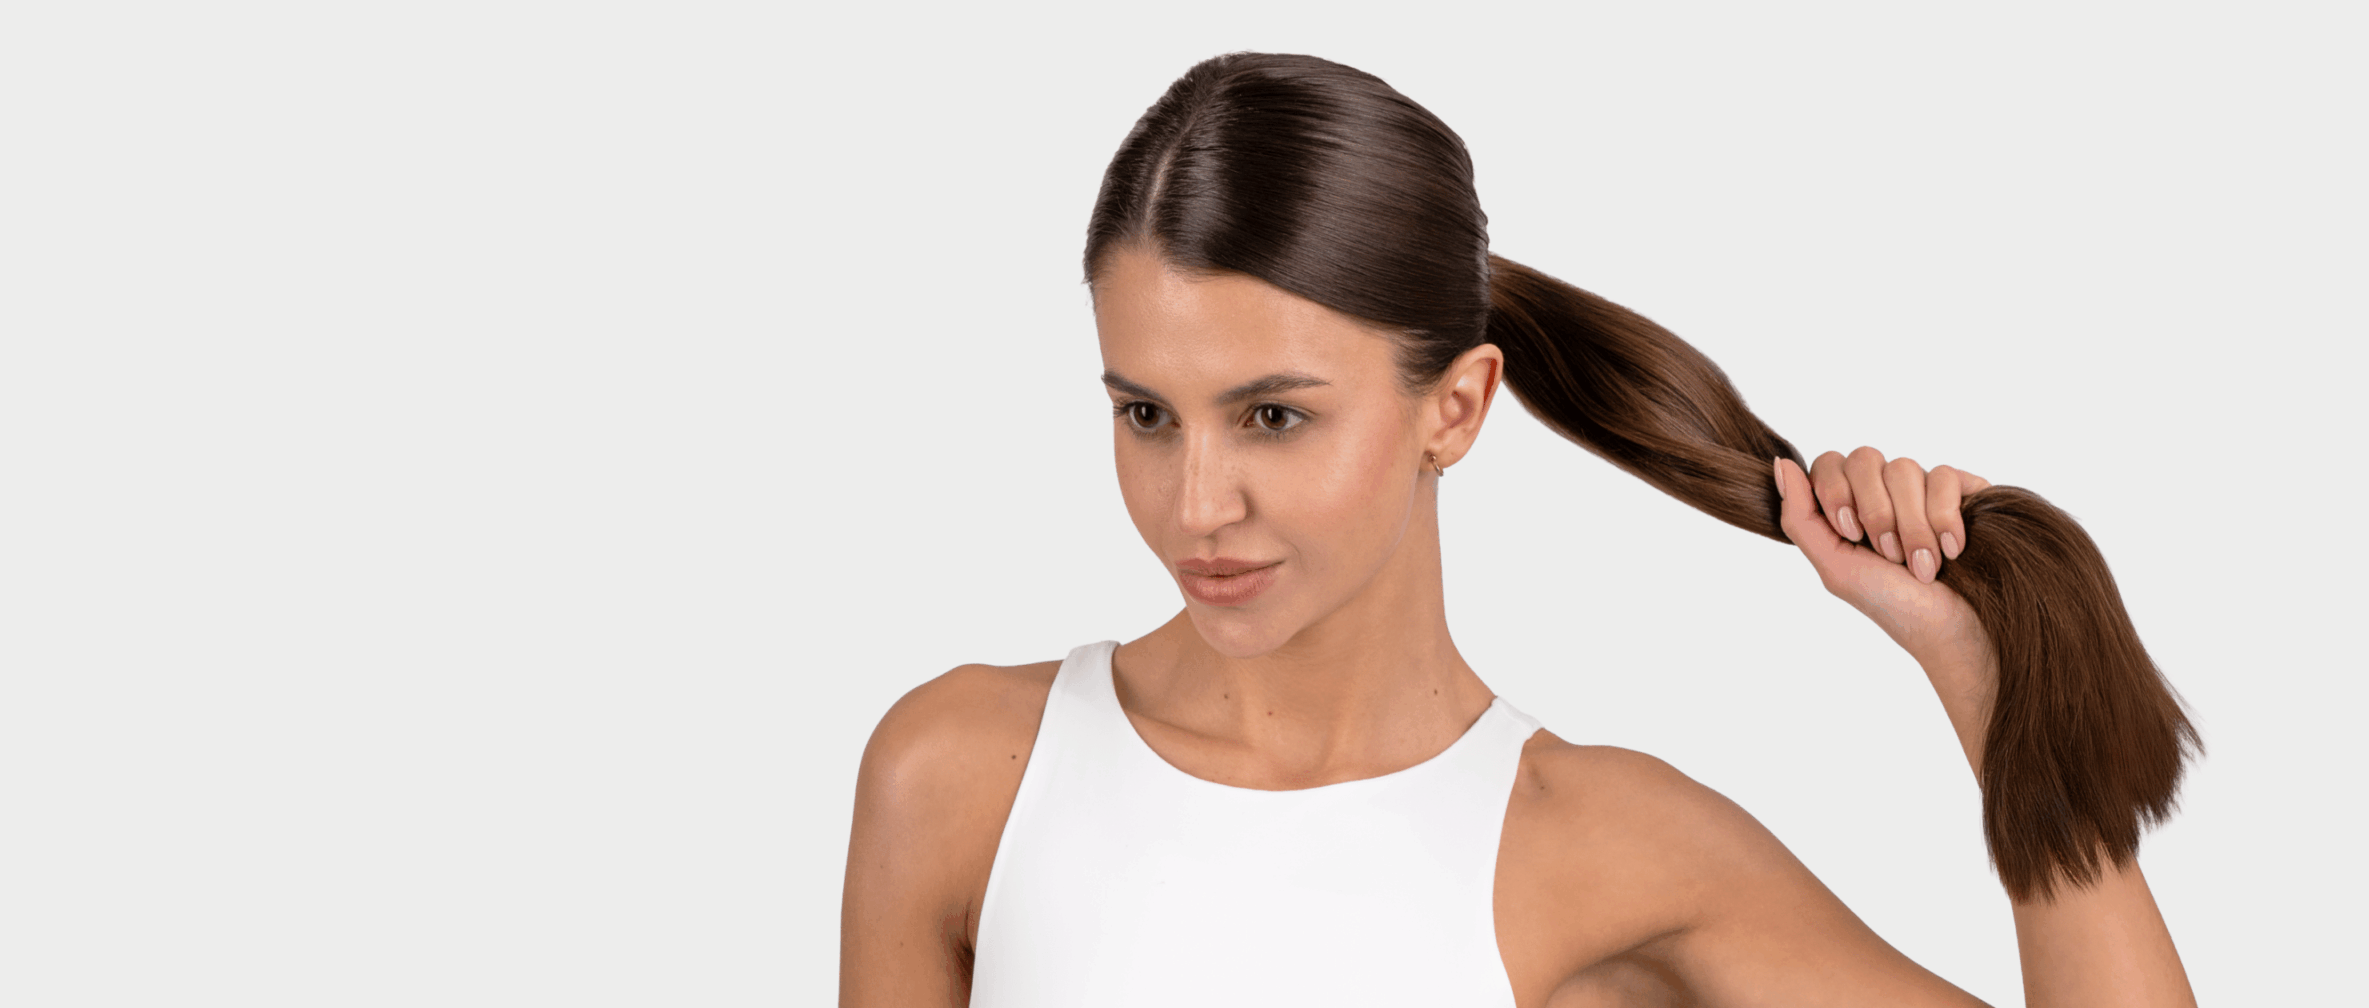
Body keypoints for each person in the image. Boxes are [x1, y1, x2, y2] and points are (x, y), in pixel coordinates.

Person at [840, 53, 2198, 1007]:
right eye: (1146, 414)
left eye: (1272, 417)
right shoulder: (961, 775)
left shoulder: (1606, 850)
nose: (1194, 505)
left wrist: (1985, 676)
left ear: (1457, 407)